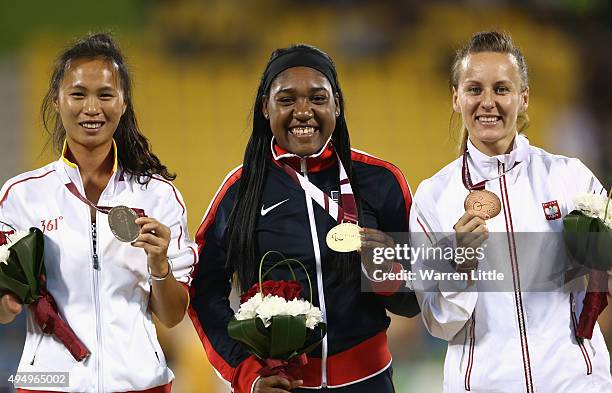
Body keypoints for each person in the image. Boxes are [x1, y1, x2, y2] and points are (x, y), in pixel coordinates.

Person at [189, 44, 419, 393]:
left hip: (369, 382)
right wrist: (247, 372)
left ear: (336, 105)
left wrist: (387, 273)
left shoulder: (380, 181)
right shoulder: (240, 191)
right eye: (286, 100)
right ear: (266, 108)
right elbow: (204, 292)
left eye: (317, 98)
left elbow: (417, 299)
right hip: (282, 385)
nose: (303, 111)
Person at [410, 31, 612, 392]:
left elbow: (605, 275)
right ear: (456, 99)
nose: (488, 102)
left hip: (575, 384)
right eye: (474, 89)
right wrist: (461, 267)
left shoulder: (570, 177)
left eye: (502, 89)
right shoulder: (433, 197)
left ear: (524, 98)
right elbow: (439, 323)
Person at [0, 33, 196, 392]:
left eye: (105, 95)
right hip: (49, 383)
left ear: (123, 104)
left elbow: (172, 316)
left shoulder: (158, 196)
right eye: (78, 94)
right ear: (57, 102)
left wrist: (160, 265)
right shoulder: (21, 196)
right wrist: (8, 299)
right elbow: (2, 309)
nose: (92, 108)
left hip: (141, 384)